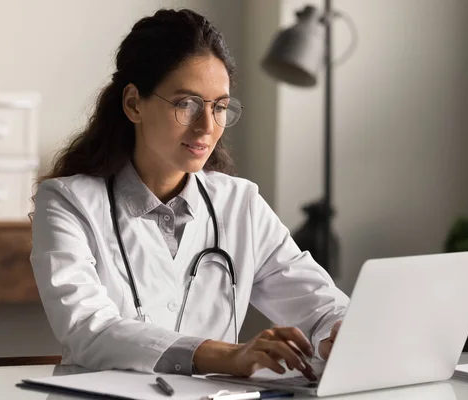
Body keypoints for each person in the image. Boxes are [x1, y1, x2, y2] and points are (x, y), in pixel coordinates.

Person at [30, 8, 349, 378]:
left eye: (220, 107)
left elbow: (321, 305)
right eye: (187, 104)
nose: (207, 127)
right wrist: (223, 354)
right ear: (134, 103)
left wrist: (336, 332)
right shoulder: (69, 202)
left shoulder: (239, 203)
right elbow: (89, 329)